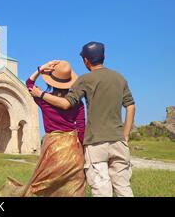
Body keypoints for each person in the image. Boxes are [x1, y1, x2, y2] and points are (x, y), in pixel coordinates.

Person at [29, 42, 136, 197]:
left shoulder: (85, 80)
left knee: (101, 189)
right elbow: (131, 105)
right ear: (103, 57)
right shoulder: (119, 78)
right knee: (123, 187)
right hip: (118, 141)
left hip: (95, 143)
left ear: (86, 60)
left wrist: (42, 93)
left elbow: (66, 104)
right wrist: (125, 135)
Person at [0, 60, 86, 197]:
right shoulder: (78, 103)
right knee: (73, 189)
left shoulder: (43, 99)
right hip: (73, 150)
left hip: (52, 150)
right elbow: (81, 129)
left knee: (45, 187)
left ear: (51, 81)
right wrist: (82, 152)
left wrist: (40, 70)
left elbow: (29, 84)